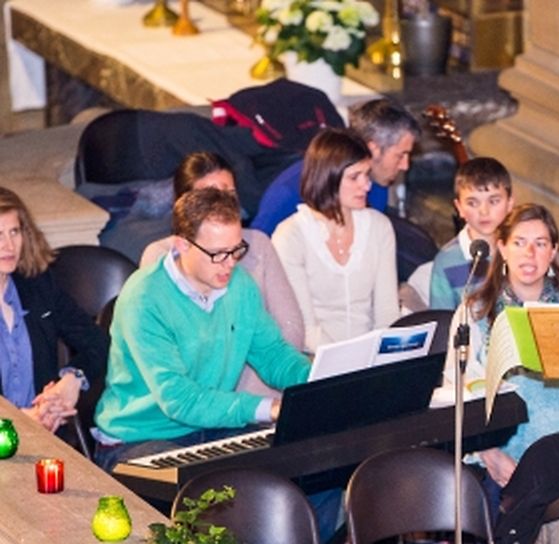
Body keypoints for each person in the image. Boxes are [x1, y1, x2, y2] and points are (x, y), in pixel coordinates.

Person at [93, 188, 311, 470]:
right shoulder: (145, 297)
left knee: (309, 460)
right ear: (182, 245)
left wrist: (316, 382)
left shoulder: (239, 285)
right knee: (214, 497)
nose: (231, 263)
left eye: (236, 250)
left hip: (211, 428)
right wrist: (265, 408)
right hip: (138, 438)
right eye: (218, 254)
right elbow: (179, 400)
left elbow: (272, 353)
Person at [449, 203, 559, 508]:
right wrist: (488, 454)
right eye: (519, 242)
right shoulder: (474, 312)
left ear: (553, 251)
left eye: (540, 243)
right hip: (503, 458)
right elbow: (459, 391)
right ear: (502, 248)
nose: (529, 253)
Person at [141, 151, 304, 397]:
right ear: (185, 204)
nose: (223, 204)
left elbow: (289, 330)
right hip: (197, 397)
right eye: (210, 195)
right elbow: (181, 358)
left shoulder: (257, 246)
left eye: (229, 194)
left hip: (266, 387)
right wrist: (238, 397)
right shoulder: (160, 257)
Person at [271, 129, 401, 352]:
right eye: (354, 177)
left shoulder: (379, 227)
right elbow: (304, 329)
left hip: (371, 357)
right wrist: (345, 363)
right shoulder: (290, 236)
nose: (366, 185)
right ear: (327, 177)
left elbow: (387, 314)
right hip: (314, 358)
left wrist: (380, 359)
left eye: (367, 174)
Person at [0, 186, 108, 433]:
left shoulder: (37, 284)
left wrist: (71, 382)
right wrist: (21, 419)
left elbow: (98, 342)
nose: (8, 245)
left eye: (14, 232)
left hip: (47, 434)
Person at [250, 99, 420, 236]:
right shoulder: (291, 190)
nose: (405, 165)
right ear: (373, 149)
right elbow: (256, 254)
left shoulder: (375, 184)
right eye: (400, 155)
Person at [426, 157, 514, 311]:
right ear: (459, 207)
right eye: (472, 203)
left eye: (494, 201)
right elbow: (441, 319)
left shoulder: (522, 248)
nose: (484, 211)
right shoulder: (447, 260)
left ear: (510, 203)